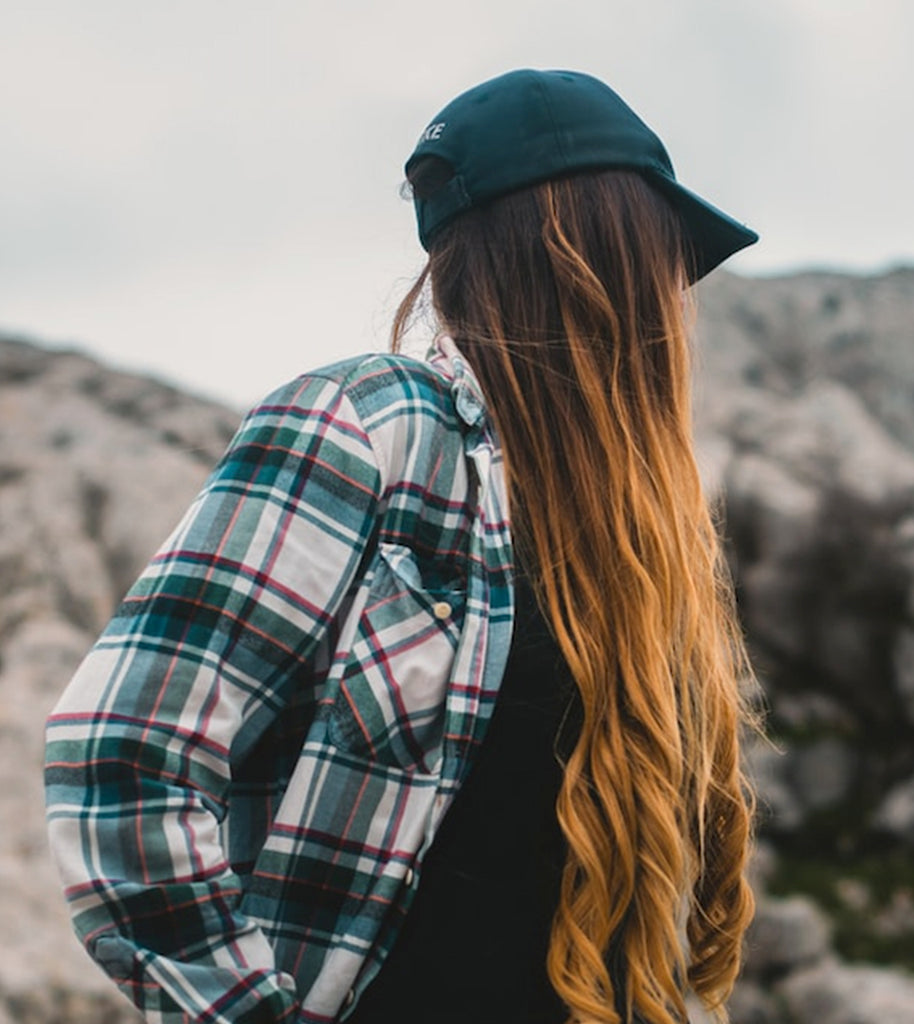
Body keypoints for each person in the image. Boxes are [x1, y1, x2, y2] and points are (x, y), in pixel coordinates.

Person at [45, 69, 759, 1024]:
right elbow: (122, 754)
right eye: (663, 255)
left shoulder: (639, 539)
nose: (675, 297)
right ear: (589, 247)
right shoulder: (372, 429)